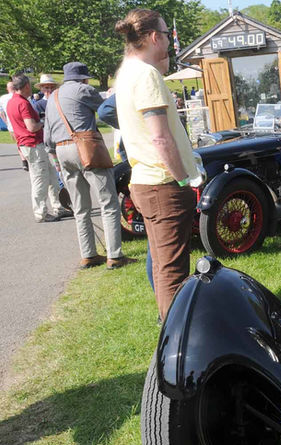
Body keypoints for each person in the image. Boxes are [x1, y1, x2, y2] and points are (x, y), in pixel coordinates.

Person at [114, 8, 198, 320]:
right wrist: (183, 179)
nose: (168, 42)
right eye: (165, 35)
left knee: (164, 266)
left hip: (147, 181)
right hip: (162, 184)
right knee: (173, 272)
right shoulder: (146, 75)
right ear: (153, 37)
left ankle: (172, 329)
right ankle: (176, 337)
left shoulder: (126, 72)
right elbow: (161, 138)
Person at [44, 62, 132, 269]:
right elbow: (106, 109)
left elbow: (47, 136)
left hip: (61, 150)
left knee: (80, 208)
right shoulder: (84, 90)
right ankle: (115, 256)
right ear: (83, 78)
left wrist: (56, 161)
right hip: (86, 147)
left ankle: (88, 254)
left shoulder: (53, 97)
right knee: (108, 202)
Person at [6, 74, 70, 223]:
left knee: (52, 176)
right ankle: (41, 213)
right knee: (40, 180)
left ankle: (59, 207)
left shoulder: (12, 102)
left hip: (29, 145)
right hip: (32, 144)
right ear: (26, 86)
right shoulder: (23, 103)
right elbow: (31, 127)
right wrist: (43, 121)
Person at [1, 80, 29, 171]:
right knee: (27, 141)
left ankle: (24, 160)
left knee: (19, 143)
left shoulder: (2, 98)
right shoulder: (21, 96)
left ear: (7, 89)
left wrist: (6, 123)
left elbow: (1, 113)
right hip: (23, 123)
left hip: (11, 125)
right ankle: (27, 159)